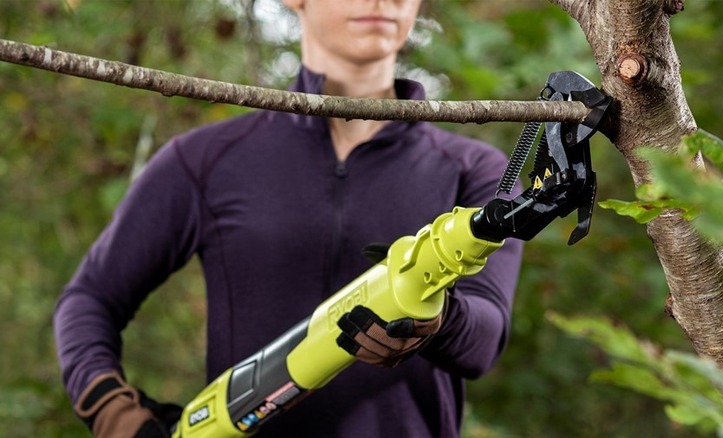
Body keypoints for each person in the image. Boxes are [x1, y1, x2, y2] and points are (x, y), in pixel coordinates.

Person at [53, 0, 524, 436]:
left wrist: (438, 319)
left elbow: (483, 341)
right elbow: (91, 298)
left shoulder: (476, 171)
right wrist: (113, 411)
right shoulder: (206, 161)